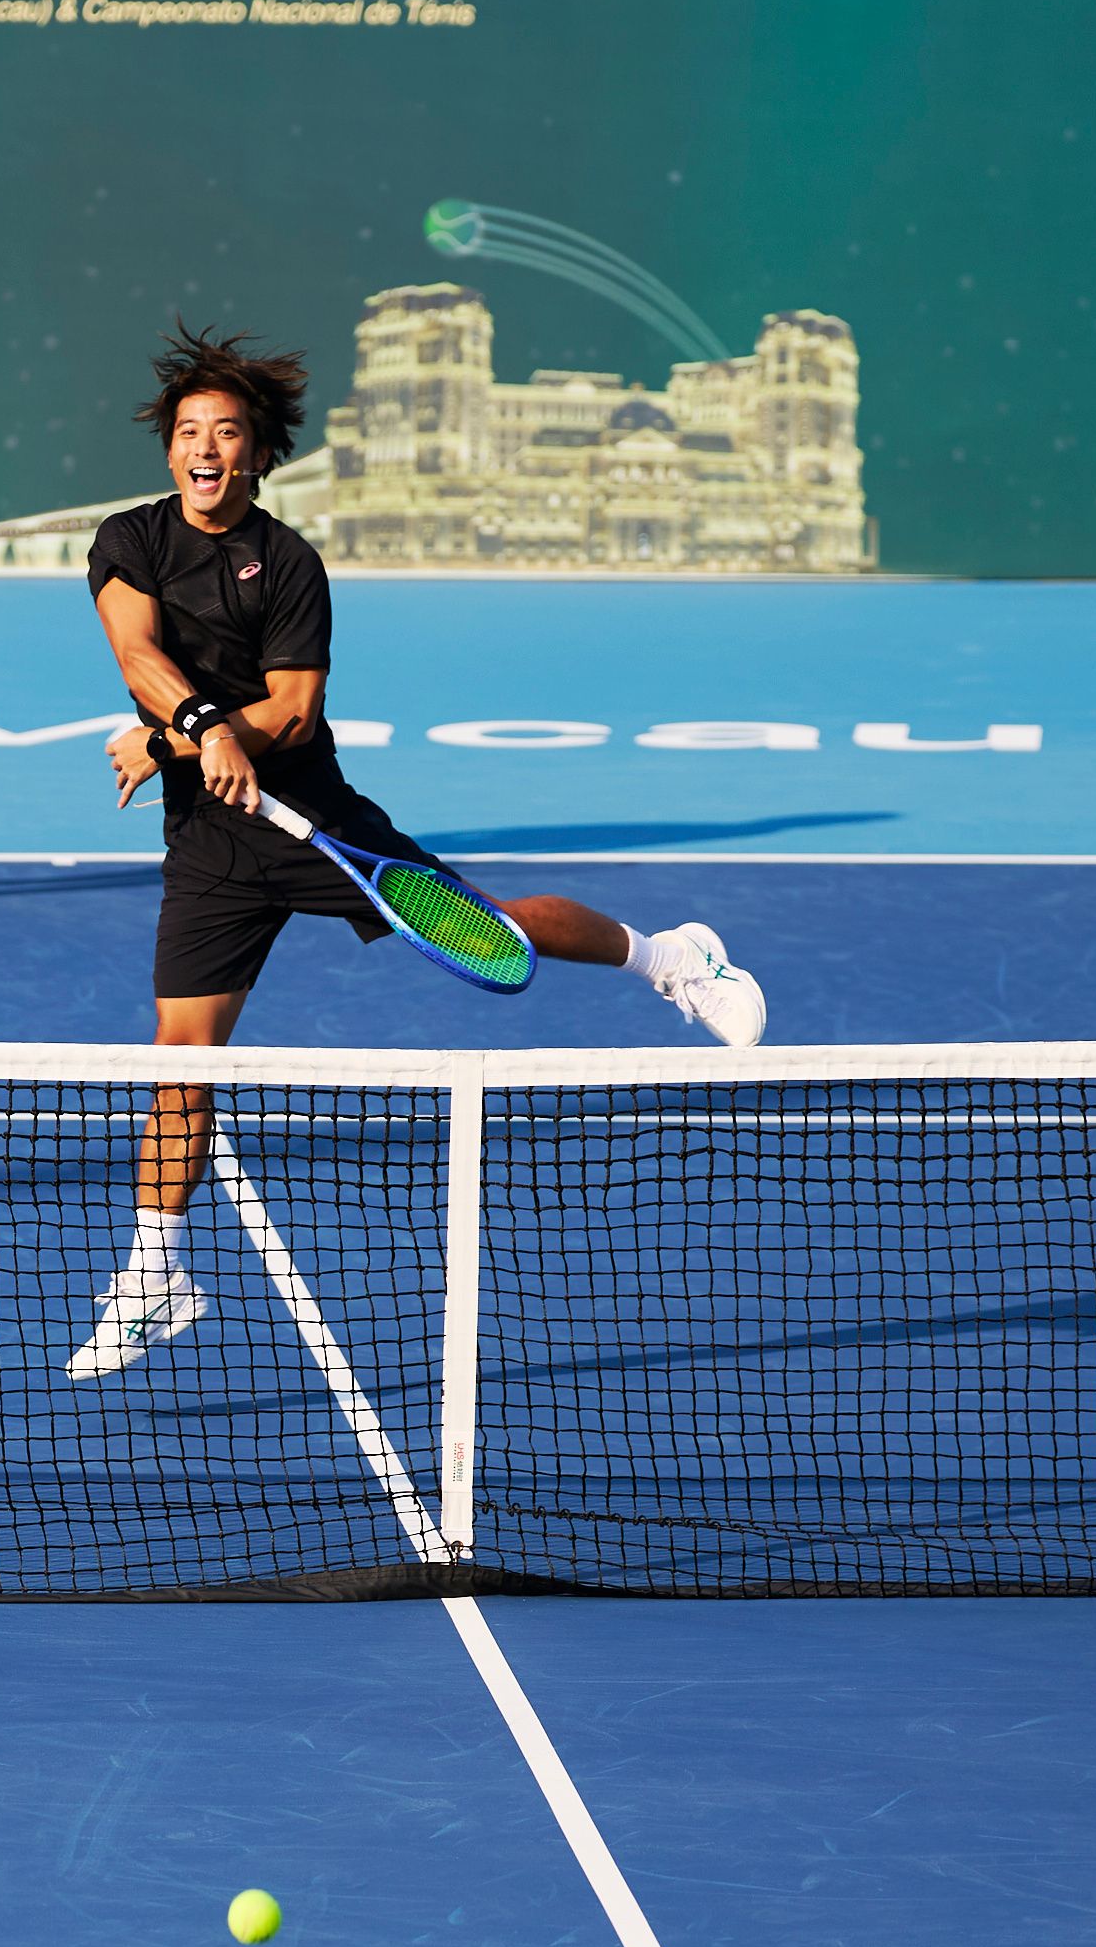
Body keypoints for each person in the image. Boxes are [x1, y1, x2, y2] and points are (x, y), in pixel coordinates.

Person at [65, 331, 767, 1382]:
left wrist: (176, 741)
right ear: (169, 448)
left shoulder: (288, 564)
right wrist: (198, 732)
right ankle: (156, 1272)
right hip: (209, 842)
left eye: (227, 432)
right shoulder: (130, 540)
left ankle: (670, 956)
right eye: (189, 432)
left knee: (493, 924)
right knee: (179, 1063)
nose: (205, 447)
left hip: (316, 823)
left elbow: (294, 713)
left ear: (258, 453)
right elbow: (137, 653)